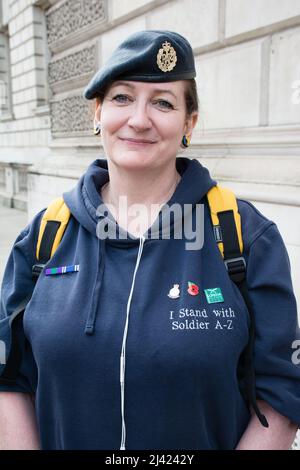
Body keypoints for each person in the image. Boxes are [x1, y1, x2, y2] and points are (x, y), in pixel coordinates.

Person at [0, 30, 299, 450]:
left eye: (163, 102)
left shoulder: (244, 236)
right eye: (122, 98)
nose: (139, 119)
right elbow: (8, 376)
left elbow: (282, 389)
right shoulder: (44, 236)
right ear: (97, 112)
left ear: (189, 123)